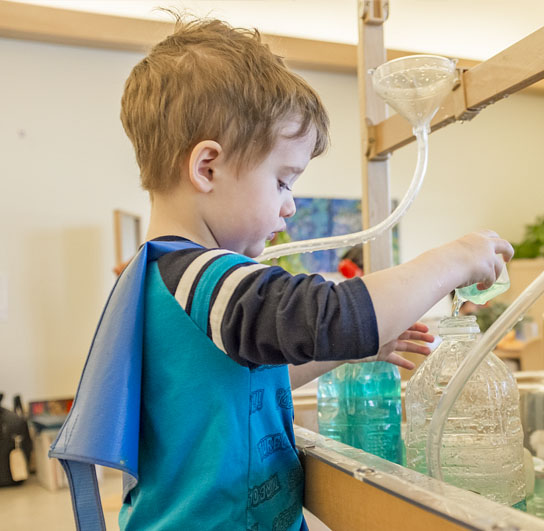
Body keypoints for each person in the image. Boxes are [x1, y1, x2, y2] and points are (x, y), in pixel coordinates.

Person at [56, 15, 513, 531]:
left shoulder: (160, 277)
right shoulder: (205, 275)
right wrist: (455, 259)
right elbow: (330, 315)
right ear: (207, 168)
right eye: (282, 181)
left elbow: (249, 374)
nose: (290, 206)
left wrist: (359, 347)